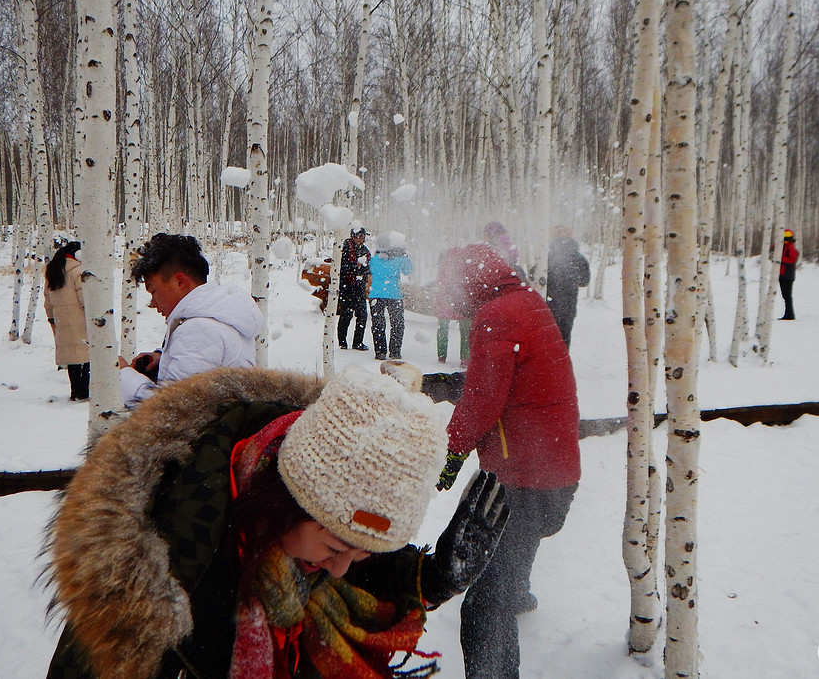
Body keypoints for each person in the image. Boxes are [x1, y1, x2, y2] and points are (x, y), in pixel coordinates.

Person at [44, 364, 509, 679]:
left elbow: (350, 569)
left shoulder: (303, 536)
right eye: (334, 548)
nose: (343, 569)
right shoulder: (158, 578)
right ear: (285, 502)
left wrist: (427, 578)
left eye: (363, 553)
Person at [434, 244, 580, 679]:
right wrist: (440, 384)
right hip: (554, 466)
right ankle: (517, 590)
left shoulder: (495, 317)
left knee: (483, 601)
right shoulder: (526, 301)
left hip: (523, 474)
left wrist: (453, 451)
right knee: (518, 544)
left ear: (470, 285)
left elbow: (482, 399)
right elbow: (499, 379)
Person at [118, 233, 264, 407]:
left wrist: (123, 376)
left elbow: (170, 412)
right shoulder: (219, 315)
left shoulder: (200, 329)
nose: (152, 303)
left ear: (179, 281)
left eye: (153, 291)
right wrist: (164, 359)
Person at [44, 241, 90, 401]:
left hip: (62, 321)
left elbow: (47, 300)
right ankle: (83, 393)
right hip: (80, 321)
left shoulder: (52, 271)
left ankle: (74, 391)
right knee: (85, 357)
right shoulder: (78, 271)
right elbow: (84, 298)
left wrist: (52, 318)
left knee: (72, 359)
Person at [367, 231, 413, 361]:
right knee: (397, 324)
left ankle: (380, 351)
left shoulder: (374, 259)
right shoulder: (399, 260)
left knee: (378, 324)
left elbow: (367, 269)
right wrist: (404, 256)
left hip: (376, 295)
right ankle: (395, 351)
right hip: (394, 295)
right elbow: (409, 270)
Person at [545, 225, 590, 347]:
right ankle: (562, 363)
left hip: (548, 305)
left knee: (547, 341)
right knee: (564, 340)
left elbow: (536, 276)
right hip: (568, 306)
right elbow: (584, 281)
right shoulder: (579, 258)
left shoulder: (546, 256)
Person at [337, 226, 371, 351]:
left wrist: (362, 267)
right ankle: (342, 342)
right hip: (347, 287)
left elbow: (368, 266)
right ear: (353, 236)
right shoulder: (345, 247)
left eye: (362, 236)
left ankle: (358, 342)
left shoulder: (365, 250)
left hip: (360, 287)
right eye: (357, 236)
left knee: (362, 315)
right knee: (346, 315)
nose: (360, 239)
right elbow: (341, 266)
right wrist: (355, 265)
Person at [778, 229, 799, 320]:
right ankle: (788, 314)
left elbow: (792, 260)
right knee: (785, 296)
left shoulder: (791, 248)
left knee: (787, 296)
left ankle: (790, 315)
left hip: (787, 275)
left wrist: (780, 259)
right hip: (783, 274)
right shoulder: (784, 247)